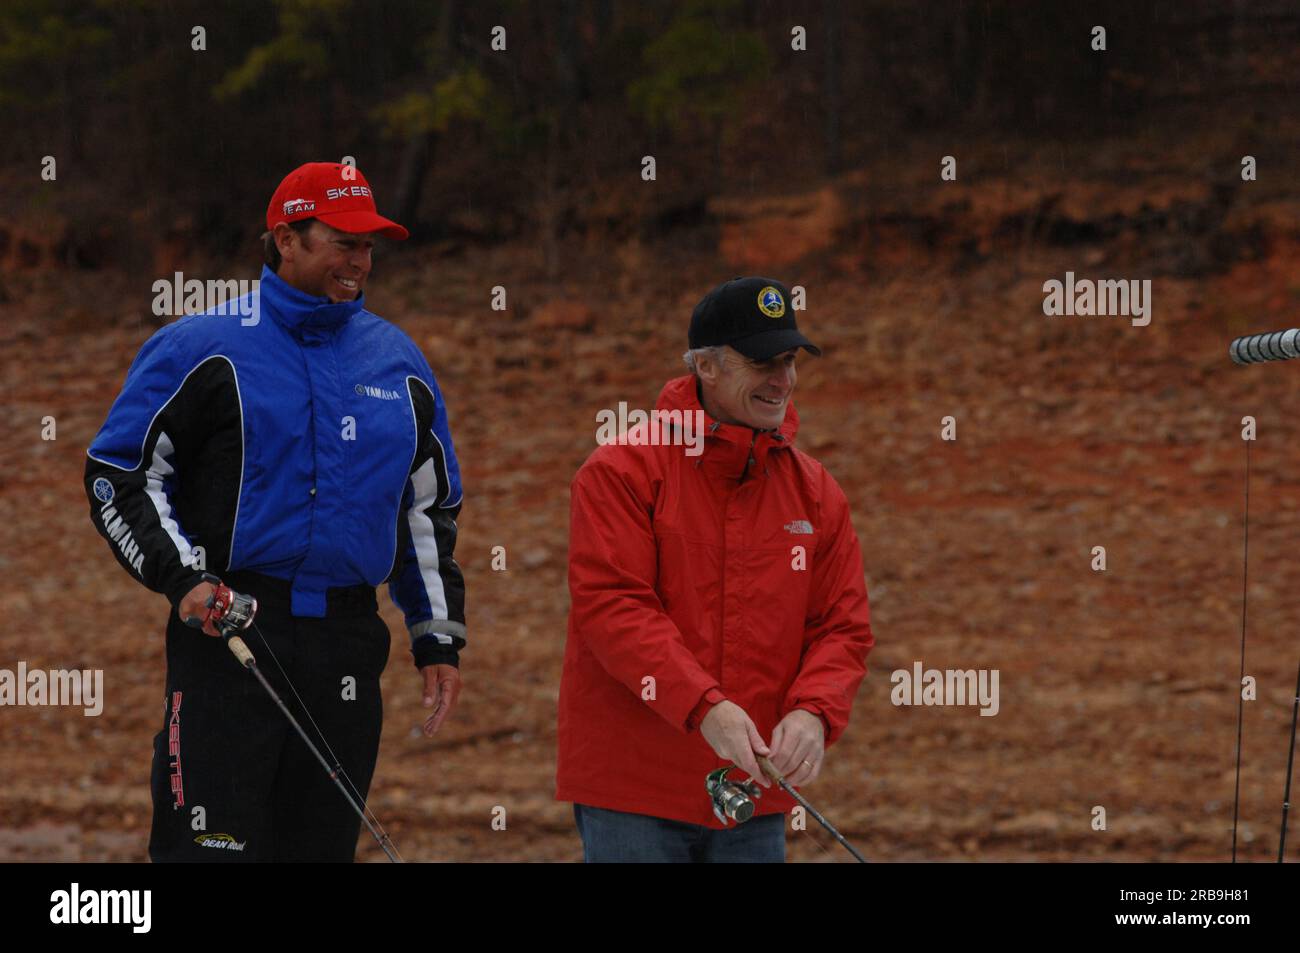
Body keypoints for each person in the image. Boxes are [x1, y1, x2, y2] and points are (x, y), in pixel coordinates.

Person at [84, 161, 466, 862]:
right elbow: (120, 473)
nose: (360, 260)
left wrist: (436, 635)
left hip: (349, 645)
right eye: (342, 241)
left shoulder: (399, 361)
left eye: (369, 245)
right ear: (286, 239)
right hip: (231, 631)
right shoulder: (202, 346)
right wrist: (182, 578)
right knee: (211, 848)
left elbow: (427, 509)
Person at [557, 276, 875, 862]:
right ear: (705, 367)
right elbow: (614, 608)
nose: (781, 379)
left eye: (789, 360)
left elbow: (841, 625)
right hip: (635, 788)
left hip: (753, 791)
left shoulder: (815, 491)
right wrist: (704, 706)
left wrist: (814, 711)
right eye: (761, 363)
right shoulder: (621, 472)